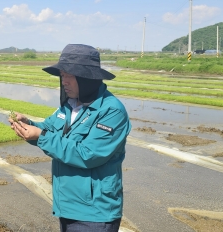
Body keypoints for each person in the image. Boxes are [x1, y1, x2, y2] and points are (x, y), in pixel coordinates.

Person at [8, 44, 131, 232]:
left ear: (86, 78)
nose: (64, 81)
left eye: (69, 76)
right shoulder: (70, 105)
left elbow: (88, 154)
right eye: (62, 75)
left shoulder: (111, 110)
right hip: (67, 205)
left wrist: (40, 136)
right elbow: (48, 129)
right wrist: (30, 124)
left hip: (94, 214)